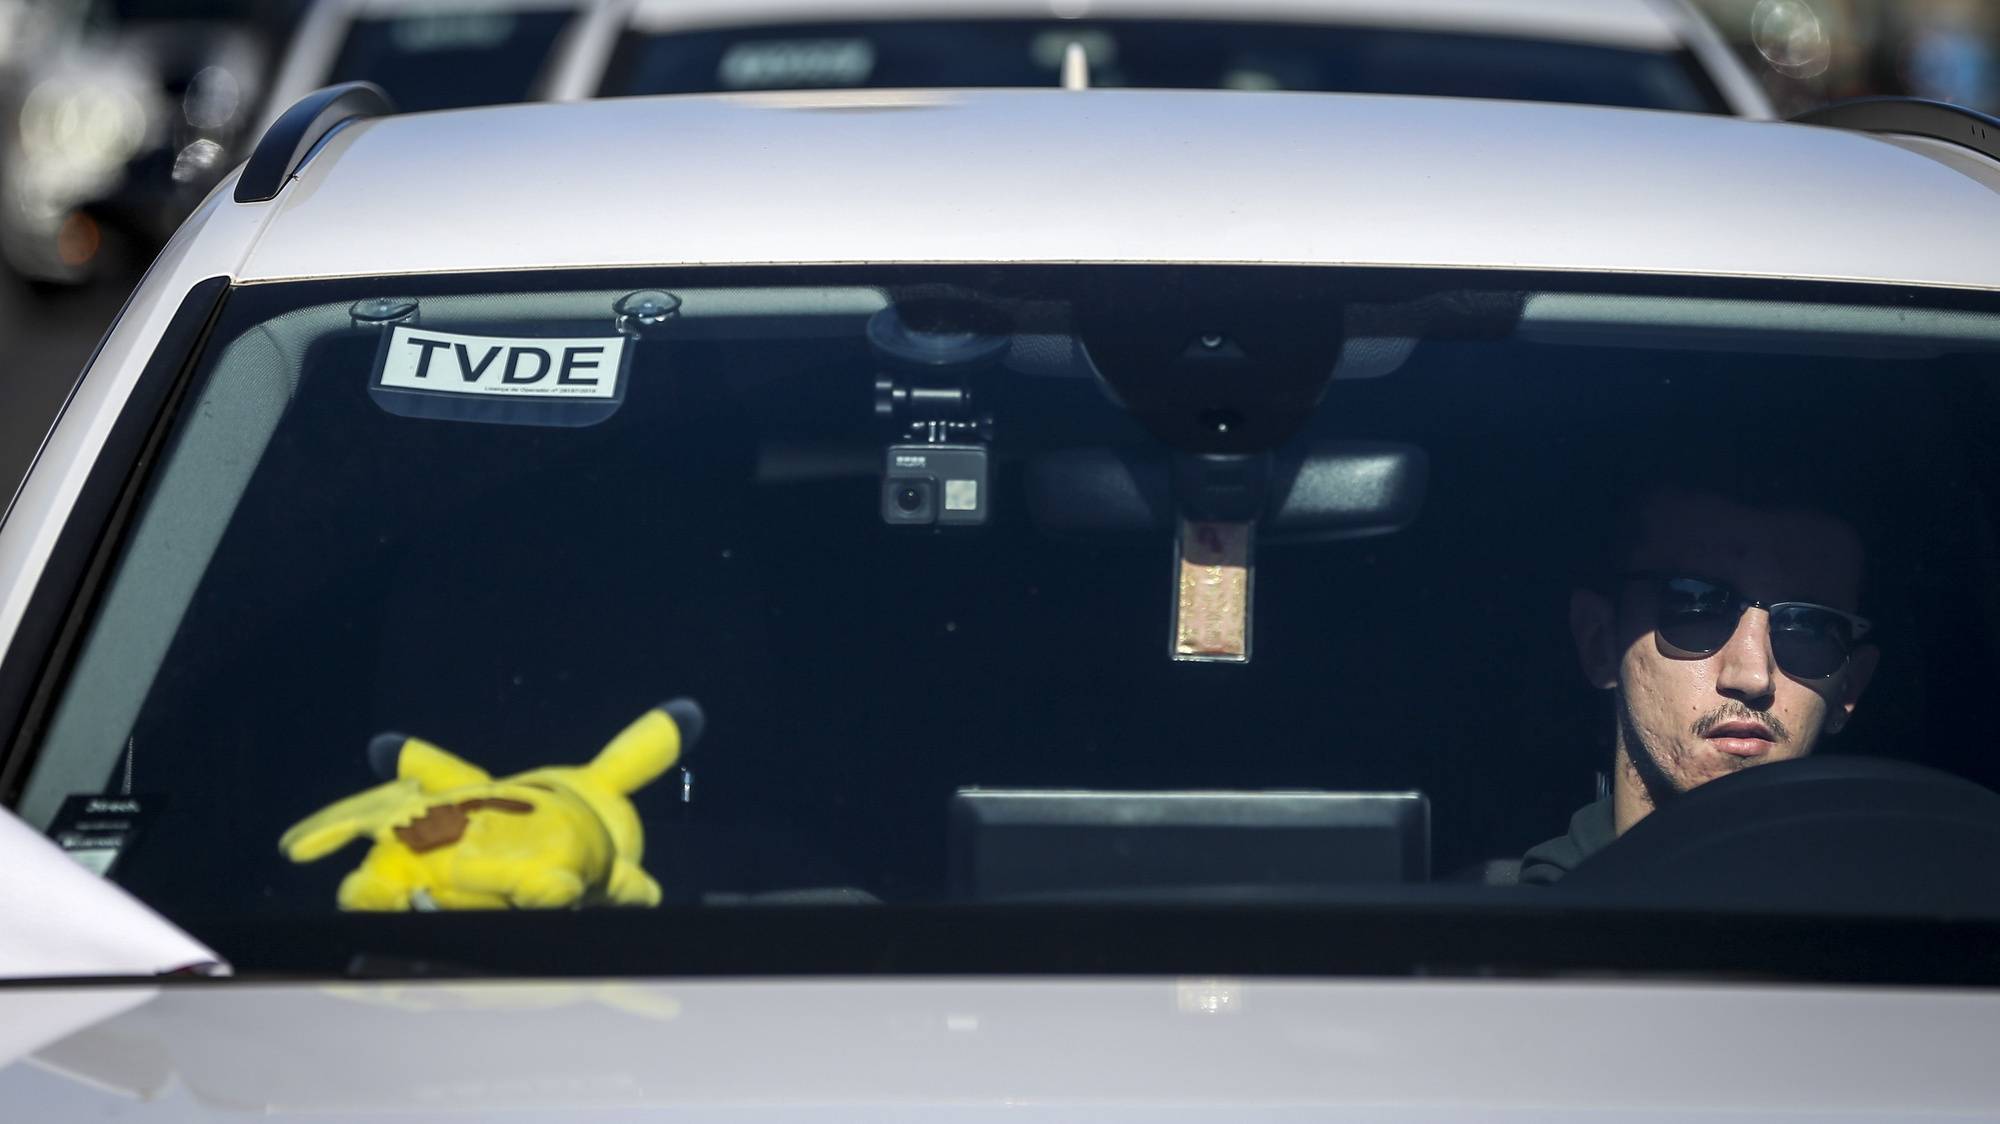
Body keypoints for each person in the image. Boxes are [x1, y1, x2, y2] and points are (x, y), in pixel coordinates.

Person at [1520, 472, 1880, 885]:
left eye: (1809, 629)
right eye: (1696, 607)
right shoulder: (1500, 939)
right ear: (1601, 644)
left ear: (1850, 688)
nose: (1752, 676)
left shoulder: (1905, 929)